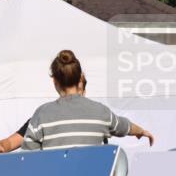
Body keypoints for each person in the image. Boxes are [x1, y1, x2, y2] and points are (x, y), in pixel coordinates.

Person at [22, 50, 154, 150]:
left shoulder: (42, 114)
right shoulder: (101, 112)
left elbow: (29, 158)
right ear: (80, 78)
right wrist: (141, 131)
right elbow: (123, 126)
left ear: (55, 81)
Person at [0, 74, 88, 154]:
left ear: (84, 92)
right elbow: (11, 142)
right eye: (70, 89)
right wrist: (1, 146)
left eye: (78, 90)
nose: (73, 95)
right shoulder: (43, 118)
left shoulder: (93, 119)